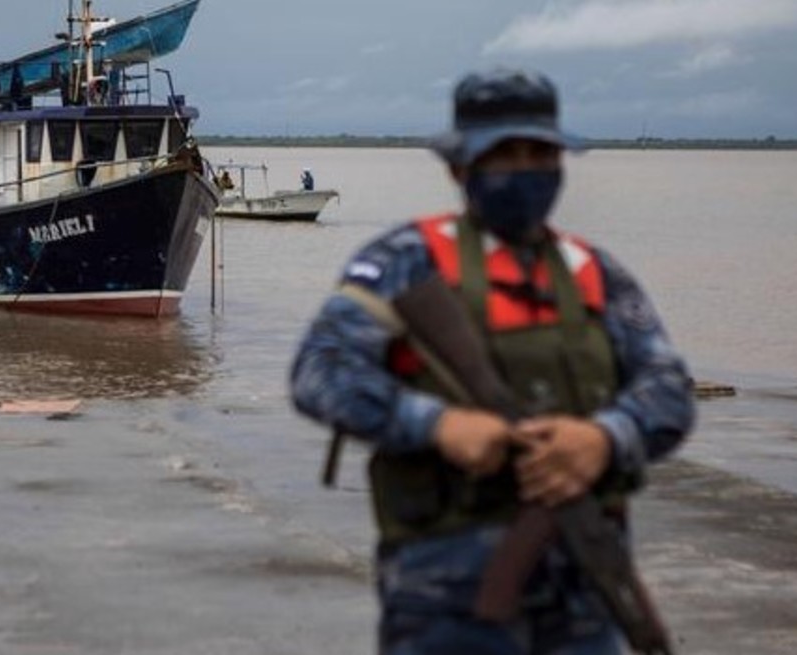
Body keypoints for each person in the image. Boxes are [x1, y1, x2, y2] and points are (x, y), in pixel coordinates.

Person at [289, 69, 695, 654]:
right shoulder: (406, 261)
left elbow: (668, 388)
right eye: (506, 155)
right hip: (443, 596)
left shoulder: (594, 272)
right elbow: (319, 370)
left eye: (541, 153)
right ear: (460, 168)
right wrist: (438, 426)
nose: (526, 170)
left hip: (584, 592)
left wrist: (604, 439)